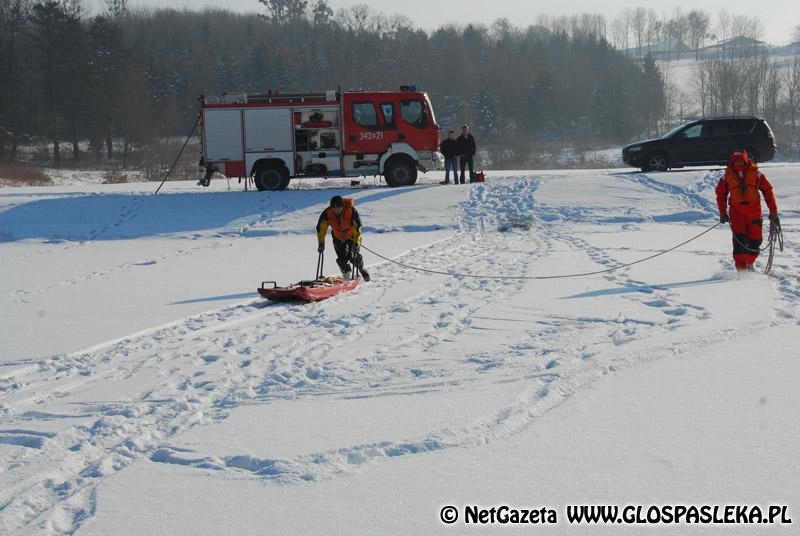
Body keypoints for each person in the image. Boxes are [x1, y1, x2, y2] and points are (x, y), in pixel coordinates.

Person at [715, 149, 779, 272]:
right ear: (732, 163)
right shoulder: (726, 177)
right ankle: (741, 271)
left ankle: (749, 263)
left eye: (740, 162)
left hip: (754, 213)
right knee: (740, 243)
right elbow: (720, 194)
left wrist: (773, 211)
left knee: (756, 241)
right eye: (735, 163)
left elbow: (768, 190)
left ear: (746, 162)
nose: (738, 165)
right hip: (737, 214)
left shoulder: (756, 174)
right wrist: (723, 213)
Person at [316, 195, 370, 281]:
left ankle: (361, 269)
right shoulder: (327, 214)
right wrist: (321, 244)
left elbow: (357, 229)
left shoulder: (352, 212)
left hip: (352, 236)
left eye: (339, 207)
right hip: (337, 237)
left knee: (353, 256)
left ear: (343, 207)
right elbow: (321, 230)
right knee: (342, 258)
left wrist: (357, 244)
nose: (336, 209)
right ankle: (346, 273)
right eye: (334, 207)